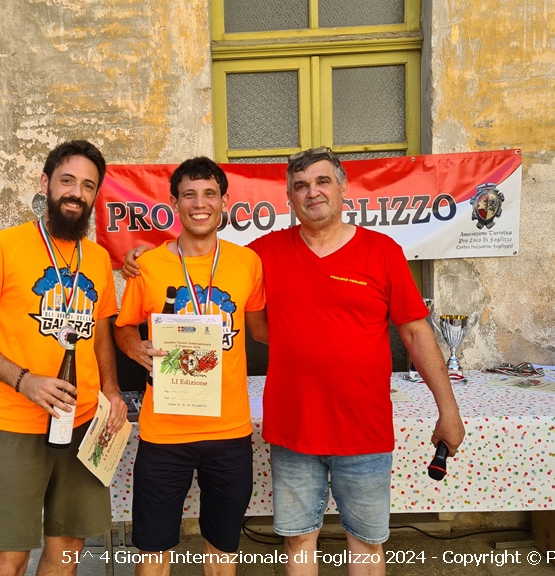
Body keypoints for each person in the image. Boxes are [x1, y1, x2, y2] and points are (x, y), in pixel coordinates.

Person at [124, 148, 464, 576]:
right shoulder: (262, 255)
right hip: (294, 429)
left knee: (366, 542)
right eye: (300, 186)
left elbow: (416, 333)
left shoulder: (382, 251)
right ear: (289, 197)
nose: (312, 192)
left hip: (364, 427)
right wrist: (143, 257)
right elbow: (208, 262)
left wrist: (448, 410)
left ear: (343, 187)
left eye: (322, 182)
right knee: (298, 540)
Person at [0, 140, 127, 576]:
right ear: (46, 183)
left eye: (88, 185)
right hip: (17, 424)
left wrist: (111, 390)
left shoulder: (98, 258)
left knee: (68, 548)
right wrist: (24, 380)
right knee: (8, 556)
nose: (76, 193)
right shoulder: (4, 246)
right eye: (67, 181)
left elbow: (101, 333)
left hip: (83, 424)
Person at [114, 157, 267, 576]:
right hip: (164, 433)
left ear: (225, 202)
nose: (200, 204)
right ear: (174, 204)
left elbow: (261, 329)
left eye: (209, 194)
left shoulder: (247, 263)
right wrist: (134, 348)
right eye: (189, 195)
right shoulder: (147, 265)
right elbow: (123, 327)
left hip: (229, 431)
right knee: (153, 550)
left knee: (222, 550)